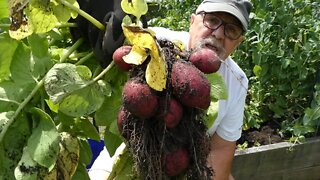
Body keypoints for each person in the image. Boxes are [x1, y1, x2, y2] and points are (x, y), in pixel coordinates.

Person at [88, 0, 253, 179]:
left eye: (232, 30)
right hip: (124, 160)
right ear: (192, 21)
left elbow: (221, 149)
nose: (220, 33)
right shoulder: (153, 41)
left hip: (184, 169)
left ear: (239, 42)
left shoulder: (237, 81)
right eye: (212, 20)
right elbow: (115, 48)